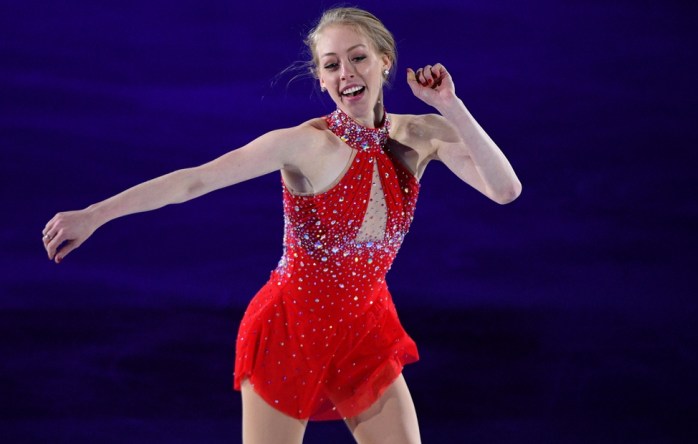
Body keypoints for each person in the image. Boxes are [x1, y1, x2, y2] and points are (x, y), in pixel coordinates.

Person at [42, 7, 521, 444]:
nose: (346, 74)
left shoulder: (421, 134)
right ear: (320, 77)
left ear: (385, 62)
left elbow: (505, 190)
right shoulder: (304, 145)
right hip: (289, 331)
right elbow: (195, 181)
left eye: (357, 58)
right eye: (332, 65)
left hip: (364, 329)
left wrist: (450, 105)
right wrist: (96, 214)